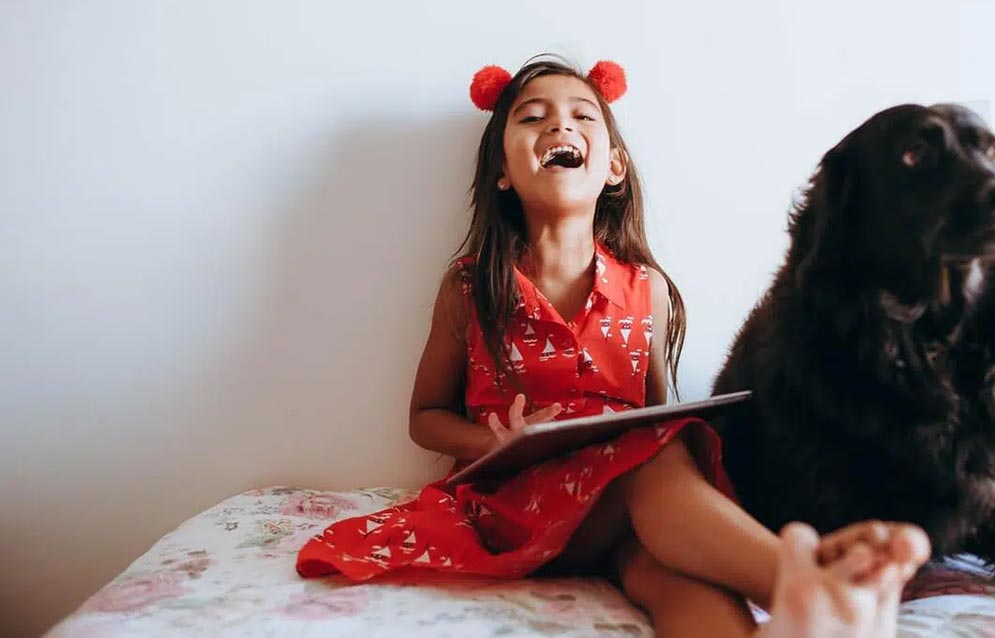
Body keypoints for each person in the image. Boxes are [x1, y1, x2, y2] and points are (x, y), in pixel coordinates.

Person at [296, 56, 930, 637]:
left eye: (580, 116)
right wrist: (489, 440)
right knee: (647, 467)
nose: (557, 127)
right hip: (520, 506)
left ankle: (790, 623)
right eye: (532, 117)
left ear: (615, 167)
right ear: (501, 175)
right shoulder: (470, 286)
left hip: (622, 514)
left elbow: (656, 416)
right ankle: (812, 580)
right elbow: (424, 417)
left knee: (670, 568)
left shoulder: (644, 288)